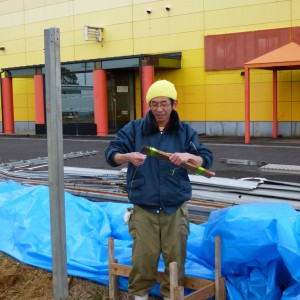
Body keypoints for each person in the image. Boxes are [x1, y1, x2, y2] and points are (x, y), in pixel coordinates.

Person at [105, 79, 213, 300]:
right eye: (154, 104)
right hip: (144, 207)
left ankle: (171, 295)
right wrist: (127, 156)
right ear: (149, 105)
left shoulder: (184, 132)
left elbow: (206, 160)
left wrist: (189, 157)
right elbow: (111, 153)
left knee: (175, 261)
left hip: (175, 209)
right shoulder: (135, 129)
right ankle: (139, 296)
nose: (159, 109)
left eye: (164, 103)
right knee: (143, 259)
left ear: (174, 104)